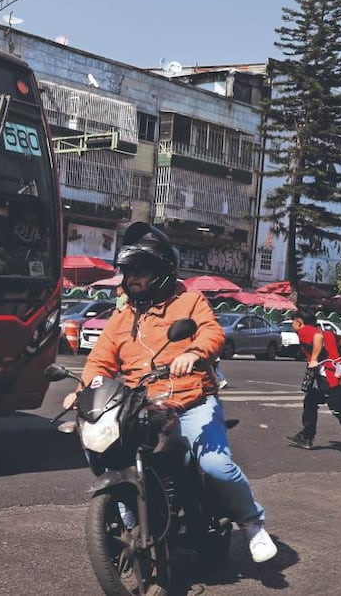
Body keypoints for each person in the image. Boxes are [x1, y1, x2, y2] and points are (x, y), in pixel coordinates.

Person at [61, 222, 277, 563]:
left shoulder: (189, 302)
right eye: (128, 271)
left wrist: (194, 353)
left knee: (215, 464)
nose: (132, 278)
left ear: (161, 271)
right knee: (106, 452)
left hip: (191, 402)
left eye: (140, 270)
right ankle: (132, 516)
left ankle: (252, 524)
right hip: (142, 407)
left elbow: (212, 334)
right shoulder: (122, 318)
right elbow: (100, 361)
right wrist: (82, 390)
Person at [286, 311, 341, 449]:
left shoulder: (304, 330)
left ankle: (307, 436)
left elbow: (317, 338)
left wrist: (314, 359)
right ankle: (306, 436)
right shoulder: (327, 332)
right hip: (337, 377)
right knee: (311, 400)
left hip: (330, 379)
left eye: (293, 322)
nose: (293, 325)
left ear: (299, 322)